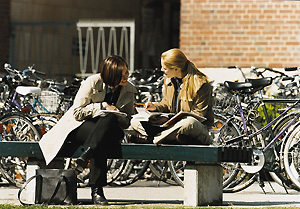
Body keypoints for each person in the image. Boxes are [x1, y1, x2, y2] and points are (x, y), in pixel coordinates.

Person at [39, 55, 137, 205]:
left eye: (127, 71)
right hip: (82, 126)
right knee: (101, 141)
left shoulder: (129, 89)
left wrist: (116, 112)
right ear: (112, 74)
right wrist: (101, 107)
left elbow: (127, 121)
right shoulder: (92, 82)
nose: (127, 75)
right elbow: (77, 113)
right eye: (123, 73)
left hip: (112, 130)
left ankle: (86, 156)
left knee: (108, 121)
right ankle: (97, 191)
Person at [130, 48, 214, 145]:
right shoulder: (168, 80)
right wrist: (156, 107)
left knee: (190, 122)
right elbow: (166, 104)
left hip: (193, 127)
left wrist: (171, 119)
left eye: (165, 68)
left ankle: (152, 140)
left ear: (176, 69)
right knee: (135, 120)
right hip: (171, 126)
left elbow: (199, 115)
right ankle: (167, 138)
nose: (162, 70)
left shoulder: (200, 84)